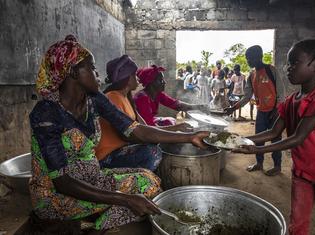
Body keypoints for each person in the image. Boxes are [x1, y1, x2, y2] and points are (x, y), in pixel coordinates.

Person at [28, 35, 208, 234]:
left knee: (149, 182)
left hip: (92, 179)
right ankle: (91, 227)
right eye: (91, 67)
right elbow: (62, 182)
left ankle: (93, 227)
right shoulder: (46, 113)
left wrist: (188, 137)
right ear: (72, 72)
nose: (97, 74)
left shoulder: (94, 100)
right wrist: (124, 198)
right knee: (136, 199)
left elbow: (135, 130)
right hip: (57, 194)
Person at [233, 38, 315, 235]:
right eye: (288, 63)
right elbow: (273, 132)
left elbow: (297, 138)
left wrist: (258, 149)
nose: (288, 68)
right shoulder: (291, 101)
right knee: (297, 222)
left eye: (294, 63)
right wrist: (238, 139)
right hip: (302, 170)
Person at [226, 45, 286, 176]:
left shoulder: (271, 70)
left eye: (249, 58)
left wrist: (278, 110)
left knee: (276, 139)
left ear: (259, 56)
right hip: (261, 112)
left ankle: (277, 166)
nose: (248, 61)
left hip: (274, 112)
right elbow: (247, 97)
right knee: (259, 140)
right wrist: (233, 108)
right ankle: (259, 163)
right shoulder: (251, 76)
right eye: (247, 58)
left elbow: (281, 92)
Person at [134, 65, 205, 127]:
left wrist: (199, 107)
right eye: (161, 80)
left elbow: (177, 105)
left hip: (149, 125)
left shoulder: (157, 94)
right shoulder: (142, 98)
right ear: (151, 82)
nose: (164, 82)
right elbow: (148, 127)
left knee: (170, 121)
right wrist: (176, 129)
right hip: (141, 129)